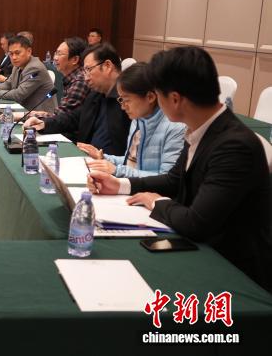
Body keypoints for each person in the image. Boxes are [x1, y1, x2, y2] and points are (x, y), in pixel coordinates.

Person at [87, 47, 271, 291]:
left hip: (236, 275)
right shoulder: (201, 127)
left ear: (174, 99)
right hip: (204, 253)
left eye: (158, 94)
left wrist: (156, 202)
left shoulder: (234, 146)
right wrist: (120, 185)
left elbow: (196, 223)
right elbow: (174, 179)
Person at [77, 62, 186, 177]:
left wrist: (117, 171)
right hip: (133, 185)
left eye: (127, 100)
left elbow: (167, 179)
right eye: (121, 99)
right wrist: (104, 158)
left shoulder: (175, 127)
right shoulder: (138, 120)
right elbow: (131, 162)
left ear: (150, 97)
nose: (123, 107)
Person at [24, 42, 131, 154]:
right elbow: (73, 118)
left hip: (109, 163)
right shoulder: (96, 95)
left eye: (89, 69)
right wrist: (44, 124)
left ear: (107, 66)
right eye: (85, 71)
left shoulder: (129, 99)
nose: (86, 78)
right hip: (86, 157)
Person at [0, 35, 56, 113]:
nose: (14, 57)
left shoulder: (35, 68)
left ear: (29, 51)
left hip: (40, 115)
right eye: (11, 54)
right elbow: (9, 84)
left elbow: (19, 94)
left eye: (17, 53)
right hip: (24, 109)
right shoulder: (17, 65)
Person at [32, 37, 89, 118]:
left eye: (60, 54)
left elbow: (61, 119)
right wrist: (33, 115)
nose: (55, 58)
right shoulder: (72, 78)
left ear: (75, 59)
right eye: (56, 53)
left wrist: (32, 116)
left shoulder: (79, 81)